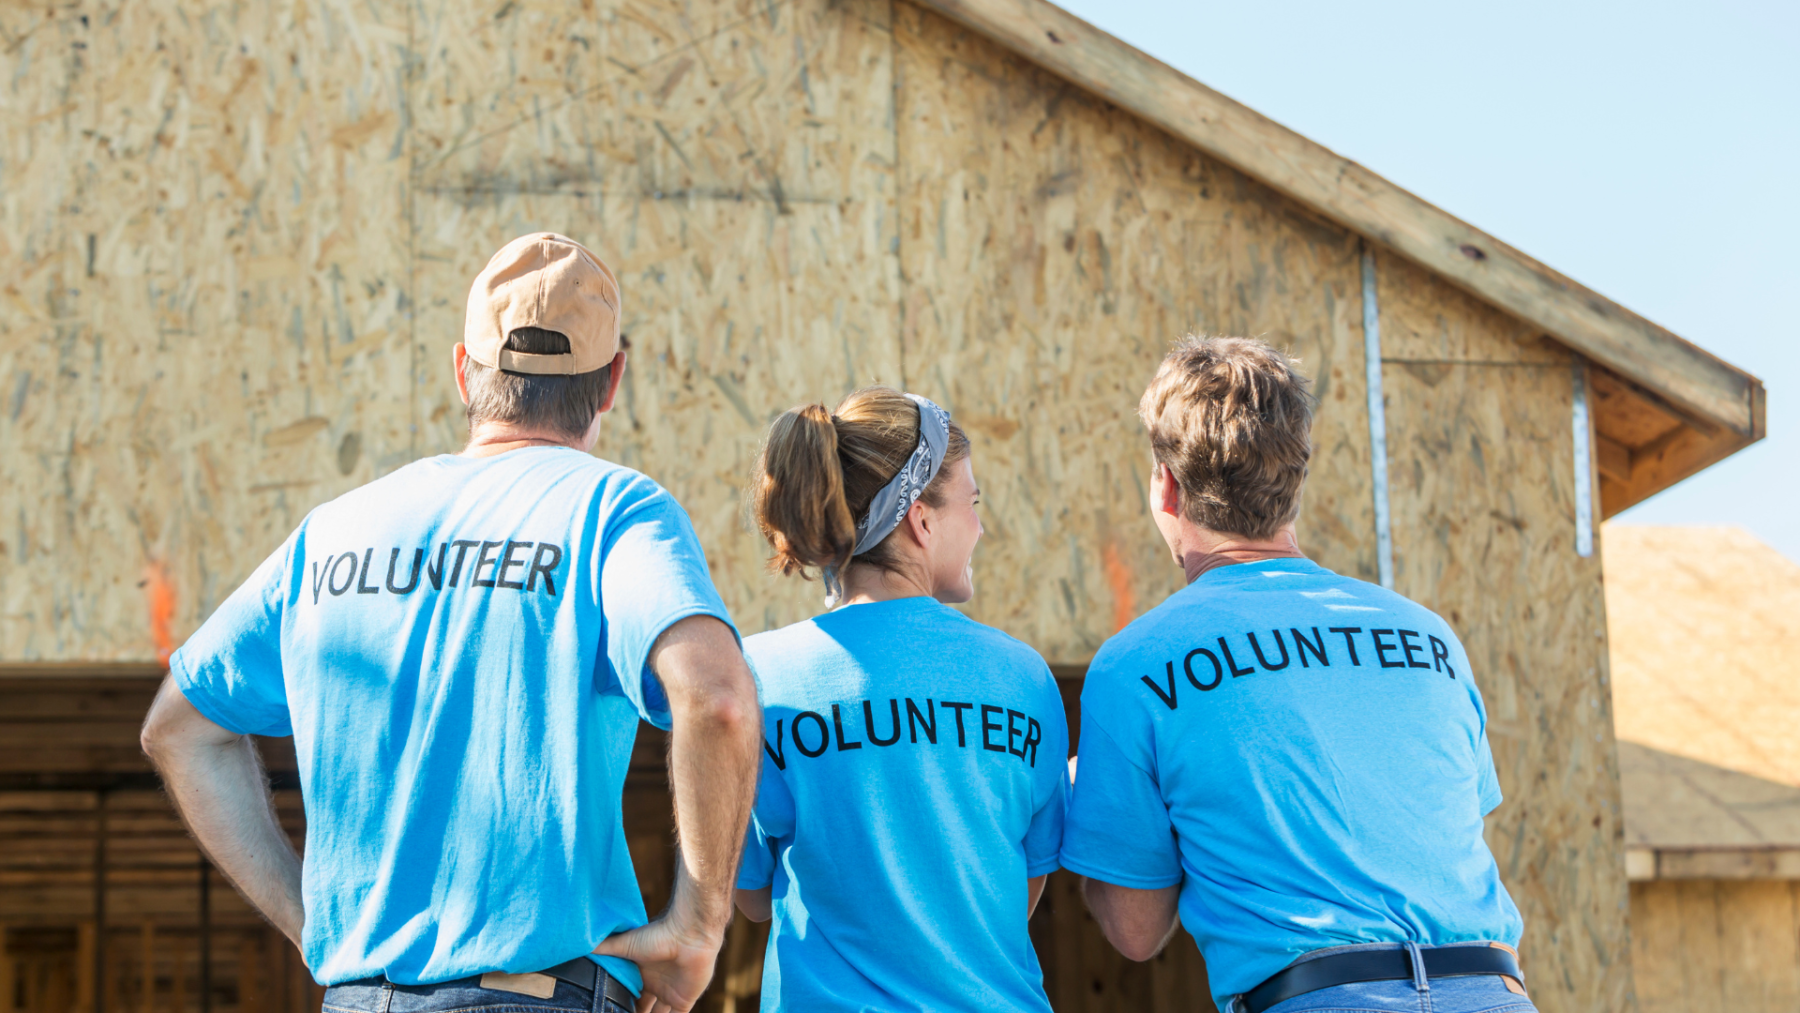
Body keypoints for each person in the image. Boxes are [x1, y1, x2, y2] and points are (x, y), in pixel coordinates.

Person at [140, 233, 762, 1013]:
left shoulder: (333, 532)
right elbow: (718, 699)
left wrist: (318, 931)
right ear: (611, 382)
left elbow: (178, 728)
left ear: (465, 371)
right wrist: (697, 927)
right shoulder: (612, 510)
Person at [1061, 336, 1533, 1013]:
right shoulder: (1429, 638)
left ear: (1166, 484)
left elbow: (1136, 930)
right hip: (1494, 993)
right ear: (1295, 481)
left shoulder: (1139, 664)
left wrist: (1086, 796)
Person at [732, 386, 1068, 1013]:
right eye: (972, 503)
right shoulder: (1022, 676)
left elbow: (750, 895)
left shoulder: (760, 674)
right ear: (922, 519)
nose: (981, 525)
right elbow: (1020, 886)